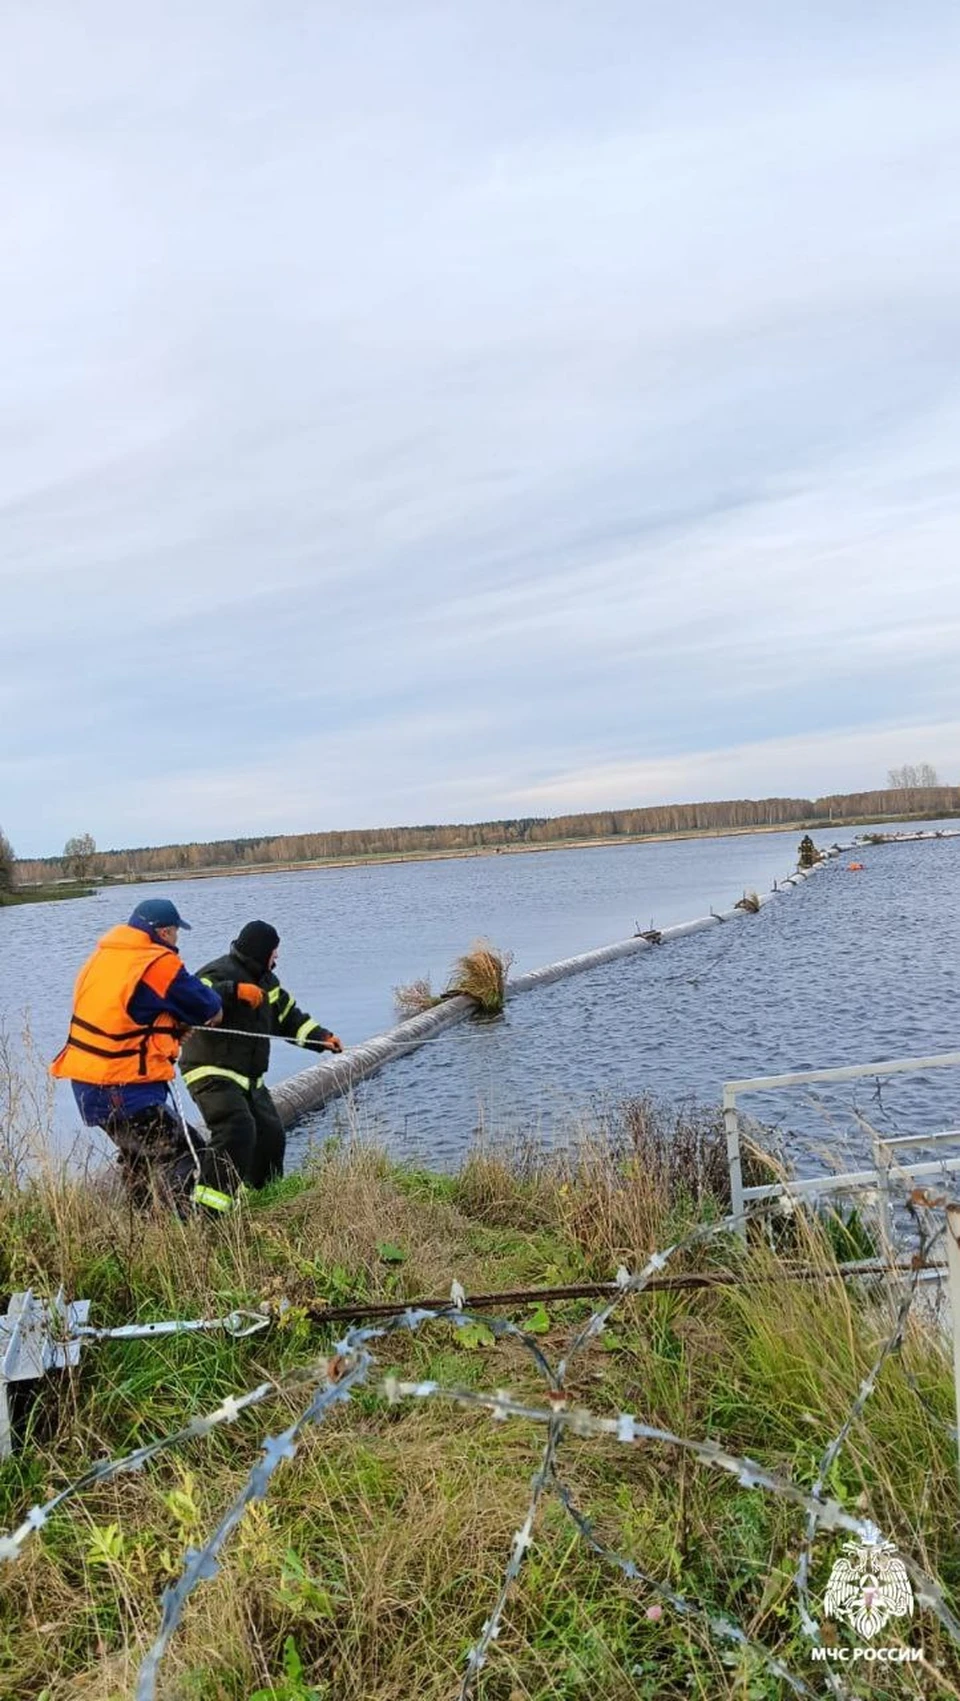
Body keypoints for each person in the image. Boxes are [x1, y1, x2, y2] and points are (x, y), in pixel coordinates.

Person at [50, 897, 223, 1210]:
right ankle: (189, 1231)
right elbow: (207, 1006)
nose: (176, 940)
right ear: (165, 932)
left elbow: (124, 1016)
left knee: (139, 1160)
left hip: (88, 1083)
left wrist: (164, 1029)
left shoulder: (102, 958)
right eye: (175, 933)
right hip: (123, 1086)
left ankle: (147, 1234)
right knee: (185, 1152)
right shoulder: (156, 962)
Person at [180, 919, 342, 1207]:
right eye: (274, 953)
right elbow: (192, 999)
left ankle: (263, 1200)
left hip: (248, 1077)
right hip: (209, 1069)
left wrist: (322, 1038)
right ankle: (208, 1210)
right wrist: (234, 992)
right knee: (236, 1129)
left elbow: (289, 1019)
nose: (277, 959)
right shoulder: (217, 971)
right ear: (261, 951)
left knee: (271, 1136)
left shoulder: (269, 982)